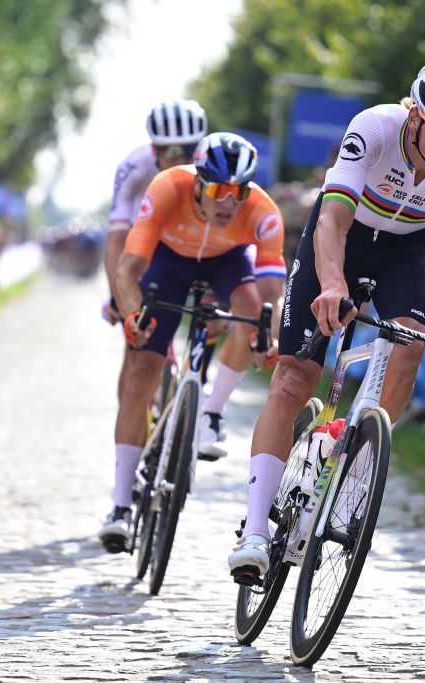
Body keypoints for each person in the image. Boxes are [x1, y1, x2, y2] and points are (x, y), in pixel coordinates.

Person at [227, 58, 425, 581]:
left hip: (409, 248)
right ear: (416, 117)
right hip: (345, 235)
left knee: (412, 345)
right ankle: (255, 534)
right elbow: (332, 218)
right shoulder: (374, 127)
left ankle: (351, 480)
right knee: (293, 376)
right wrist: (332, 283)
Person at [98, 132, 286, 553]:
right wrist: (132, 317)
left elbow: (273, 289)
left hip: (227, 260)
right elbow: (128, 271)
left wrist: (267, 333)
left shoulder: (264, 213)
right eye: (217, 189)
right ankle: (120, 505)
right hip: (168, 259)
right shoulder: (167, 187)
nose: (227, 203)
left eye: (237, 192)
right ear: (198, 182)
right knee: (141, 373)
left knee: (251, 310)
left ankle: (211, 413)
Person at [101, 100, 208, 324]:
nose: (179, 158)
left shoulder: (211, 164)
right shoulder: (134, 167)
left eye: (188, 149)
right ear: (154, 149)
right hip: (145, 235)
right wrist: (116, 297)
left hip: (191, 235)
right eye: (168, 150)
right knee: (137, 330)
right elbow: (116, 240)